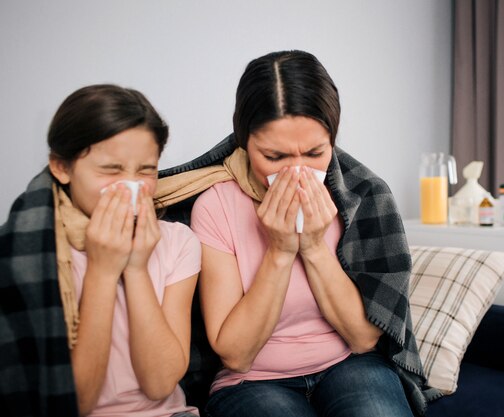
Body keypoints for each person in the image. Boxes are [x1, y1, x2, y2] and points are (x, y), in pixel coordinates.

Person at [156, 50, 439, 417]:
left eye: (315, 153)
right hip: (251, 382)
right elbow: (236, 354)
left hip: (349, 364)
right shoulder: (215, 205)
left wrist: (314, 245)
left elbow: (364, 338)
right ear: (243, 143)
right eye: (274, 157)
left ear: (332, 141)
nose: (297, 173)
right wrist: (279, 251)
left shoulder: (361, 196)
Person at [0, 84, 200, 417]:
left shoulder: (178, 241)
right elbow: (74, 403)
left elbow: (160, 384)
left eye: (146, 170)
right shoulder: (31, 252)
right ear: (62, 168)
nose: (133, 186)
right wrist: (103, 271)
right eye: (111, 170)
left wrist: (136, 269)